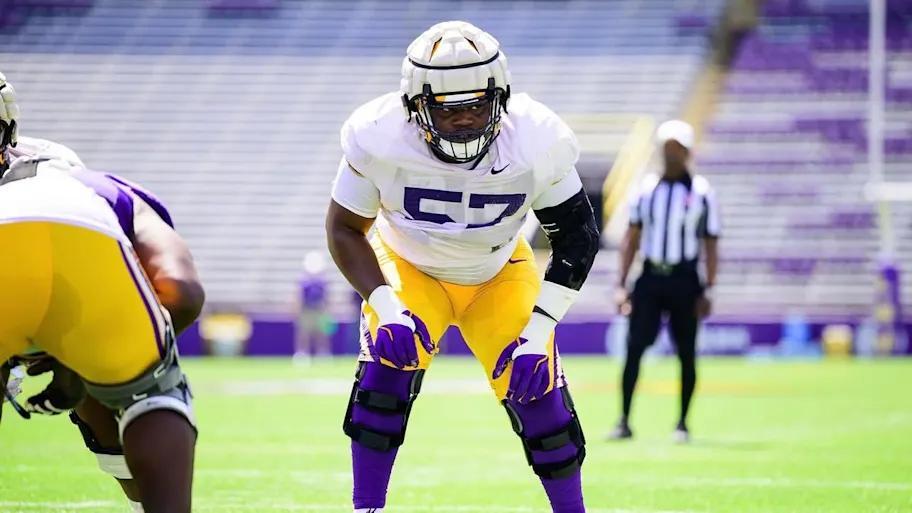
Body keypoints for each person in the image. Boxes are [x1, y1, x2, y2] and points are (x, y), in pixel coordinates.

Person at [326, 21, 600, 513]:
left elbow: (578, 237)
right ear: (415, 106)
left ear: (502, 97)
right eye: (447, 108)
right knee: (385, 379)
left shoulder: (536, 138)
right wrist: (386, 305)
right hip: (410, 265)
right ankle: (366, 507)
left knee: (542, 403)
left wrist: (539, 332)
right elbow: (345, 228)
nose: (465, 119)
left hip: (499, 271)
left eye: (477, 104)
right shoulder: (379, 136)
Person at [0, 72, 203, 513]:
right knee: (148, 388)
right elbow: (182, 291)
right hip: (82, 229)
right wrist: (89, 367)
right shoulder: (93, 189)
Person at [609, 119, 720, 443]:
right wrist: (621, 284)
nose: (671, 154)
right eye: (667, 147)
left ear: (687, 152)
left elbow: (711, 243)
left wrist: (710, 288)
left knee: (686, 352)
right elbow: (631, 238)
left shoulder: (702, 192)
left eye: (677, 148)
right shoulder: (645, 189)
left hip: (685, 278)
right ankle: (624, 420)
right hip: (650, 277)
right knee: (634, 349)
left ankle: (683, 423)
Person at [294, 251, 333, 364]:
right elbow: (299, 297)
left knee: (321, 333)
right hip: (306, 309)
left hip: (319, 309)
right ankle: (302, 353)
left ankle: (322, 353)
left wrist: (328, 310)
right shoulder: (304, 280)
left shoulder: (322, 281)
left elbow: (326, 297)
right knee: (304, 333)